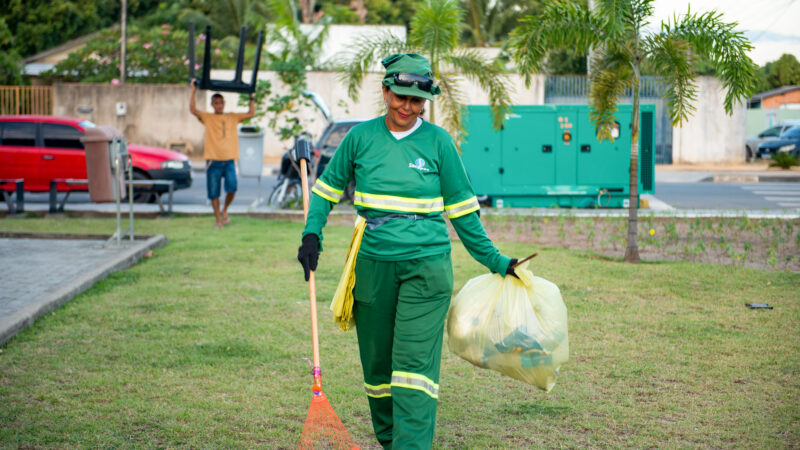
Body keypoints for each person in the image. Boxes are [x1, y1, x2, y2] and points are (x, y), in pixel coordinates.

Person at [296, 53, 518, 449]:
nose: (408, 107)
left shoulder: (438, 142)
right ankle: (391, 439)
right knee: (378, 367)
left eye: (417, 102)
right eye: (400, 97)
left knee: (414, 369)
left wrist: (497, 261)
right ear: (385, 91)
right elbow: (325, 191)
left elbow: (464, 214)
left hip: (427, 267)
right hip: (373, 265)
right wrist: (312, 235)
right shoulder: (360, 138)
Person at [189, 79, 255, 228]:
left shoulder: (233, 116)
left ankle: (225, 209)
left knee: (232, 187)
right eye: (216, 103)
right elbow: (193, 110)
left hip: (230, 160)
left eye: (221, 102)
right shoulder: (208, 117)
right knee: (214, 193)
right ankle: (218, 220)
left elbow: (251, 113)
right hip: (213, 161)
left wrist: (251, 96)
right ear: (212, 105)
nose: (219, 105)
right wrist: (193, 90)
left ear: (224, 103)